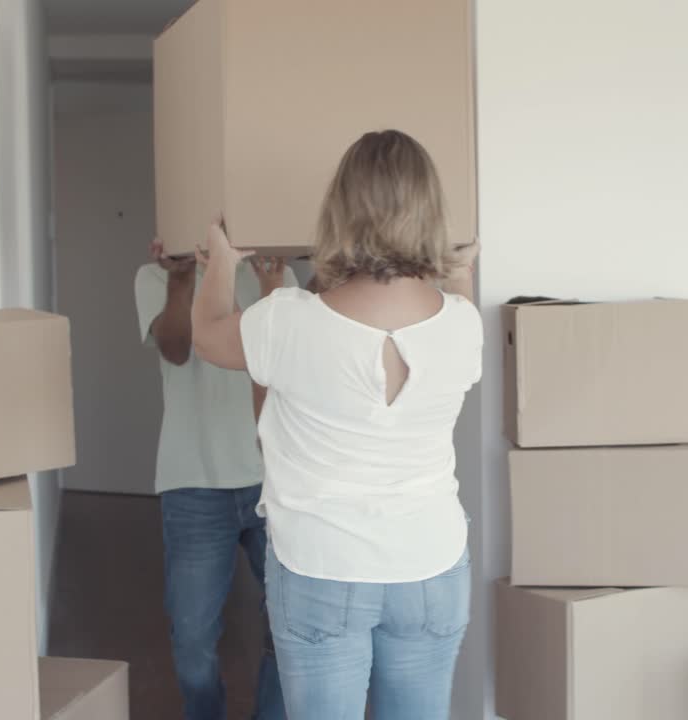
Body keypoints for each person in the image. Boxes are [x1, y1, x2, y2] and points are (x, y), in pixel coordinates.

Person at [189, 129, 482, 720]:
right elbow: (456, 302)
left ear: (340, 211)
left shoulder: (288, 322)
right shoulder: (463, 324)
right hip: (430, 562)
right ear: (430, 215)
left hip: (323, 566)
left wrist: (221, 262)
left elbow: (207, 333)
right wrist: (459, 270)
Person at [134, 241, 296, 720]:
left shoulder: (277, 275)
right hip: (193, 482)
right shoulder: (154, 277)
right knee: (192, 636)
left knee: (288, 625)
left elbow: (285, 361)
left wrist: (272, 293)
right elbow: (176, 350)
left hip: (274, 482)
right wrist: (182, 281)